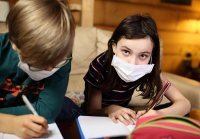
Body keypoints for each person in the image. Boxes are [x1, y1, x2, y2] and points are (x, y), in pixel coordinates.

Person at [82, 14, 191, 126]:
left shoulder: (148, 68)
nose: (133, 63)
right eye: (126, 51)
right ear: (114, 47)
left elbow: (185, 104)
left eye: (143, 55)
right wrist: (110, 109)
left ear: (151, 56)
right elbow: (92, 111)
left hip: (124, 116)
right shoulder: (100, 65)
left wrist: (159, 113)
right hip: (100, 116)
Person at [0, 0, 74, 138]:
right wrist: (9, 123)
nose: (51, 69)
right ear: (14, 44)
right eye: (39, 63)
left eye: (57, 62)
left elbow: (48, 112)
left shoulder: (62, 55)